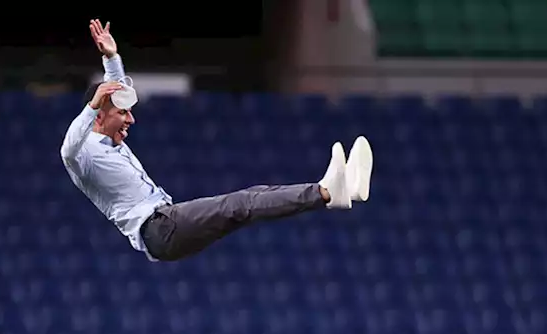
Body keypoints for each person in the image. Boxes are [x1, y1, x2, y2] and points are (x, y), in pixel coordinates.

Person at [61, 19, 374, 262]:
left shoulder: (108, 134)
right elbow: (68, 149)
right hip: (160, 228)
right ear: (99, 116)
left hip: (166, 227)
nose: (131, 119)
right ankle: (327, 192)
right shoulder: (83, 154)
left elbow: (114, 95)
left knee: (248, 201)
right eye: (122, 114)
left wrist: (112, 59)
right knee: (241, 203)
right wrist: (92, 104)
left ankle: (334, 192)